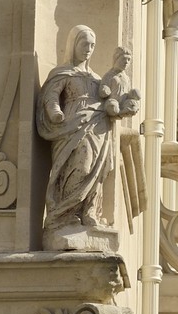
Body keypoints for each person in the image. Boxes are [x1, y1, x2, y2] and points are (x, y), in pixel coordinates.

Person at [36, 27, 137, 240]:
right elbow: (51, 95)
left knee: (97, 170)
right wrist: (55, 112)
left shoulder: (96, 78)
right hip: (71, 126)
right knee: (80, 166)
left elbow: (111, 100)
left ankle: (89, 212)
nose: (89, 49)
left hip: (98, 127)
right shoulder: (63, 73)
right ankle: (63, 215)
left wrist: (125, 106)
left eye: (92, 46)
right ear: (74, 45)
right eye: (84, 44)